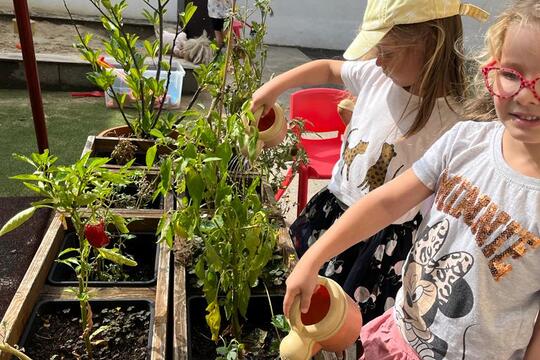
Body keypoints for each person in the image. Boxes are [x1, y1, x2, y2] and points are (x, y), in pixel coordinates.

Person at [283, 0, 540, 358]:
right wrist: (312, 259)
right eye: (512, 74)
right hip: (399, 335)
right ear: (492, 69)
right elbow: (387, 201)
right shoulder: (464, 140)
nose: (526, 95)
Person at [251, 0, 488, 323]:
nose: (377, 60)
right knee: (295, 292)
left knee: (342, 323)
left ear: (431, 44)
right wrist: (271, 89)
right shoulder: (377, 75)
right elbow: (328, 69)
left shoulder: (455, 120)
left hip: (381, 245)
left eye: (387, 51)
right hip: (332, 210)